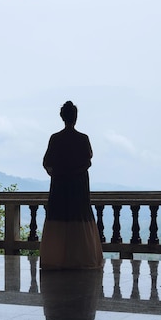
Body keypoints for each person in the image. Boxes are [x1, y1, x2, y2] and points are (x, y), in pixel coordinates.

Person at [40, 100, 103, 270]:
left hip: (60, 187)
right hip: (78, 188)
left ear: (62, 117)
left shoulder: (55, 138)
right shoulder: (83, 139)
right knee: (79, 217)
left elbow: (47, 162)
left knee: (58, 219)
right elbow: (87, 161)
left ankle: (56, 258)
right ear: (76, 117)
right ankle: (81, 256)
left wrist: (59, 174)